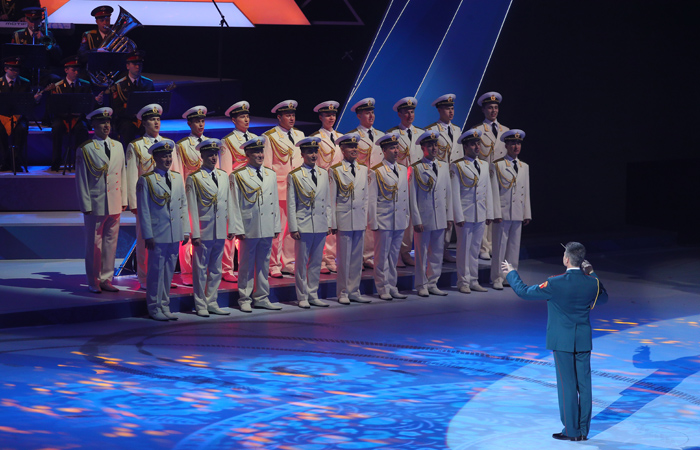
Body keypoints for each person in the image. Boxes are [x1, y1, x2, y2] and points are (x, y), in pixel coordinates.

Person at [501, 242, 608, 441]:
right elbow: (603, 298)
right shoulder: (592, 282)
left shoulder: (555, 283)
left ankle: (571, 431)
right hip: (583, 340)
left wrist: (512, 273)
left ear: (566, 259)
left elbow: (524, 292)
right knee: (584, 386)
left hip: (562, 341)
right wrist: (592, 273)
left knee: (567, 385)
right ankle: (583, 431)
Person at [136, 139, 190, 321]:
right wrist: (148, 235)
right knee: (155, 272)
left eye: (169, 156)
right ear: (155, 158)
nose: (168, 159)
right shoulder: (147, 180)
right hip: (157, 234)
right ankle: (153, 306)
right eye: (164, 156)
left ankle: (165, 305)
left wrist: (186, 230)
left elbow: (183, 205)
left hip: (174, 232)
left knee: (168, 272)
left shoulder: (176, 178)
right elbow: (143, 210)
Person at [74, 107, 127, 293]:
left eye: (108, 122)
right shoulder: (86, 149)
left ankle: (106, 278)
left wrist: (124, 199)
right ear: (94, 125)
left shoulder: (118, 146)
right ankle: (93, 280)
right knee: (94, 245)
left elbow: (122, 173)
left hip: (114, 201)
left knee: (111, 243)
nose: (106, 125)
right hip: (96, 203)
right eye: (102, 122)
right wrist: (85, 204)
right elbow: (81, 179)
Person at [231, 136, 282, 312]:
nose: (260, 155)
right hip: (249, 225)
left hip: (267, 224)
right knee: (246, 264)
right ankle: (244, 298)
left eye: (261, 151)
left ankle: (261, 297)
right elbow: (234, 204)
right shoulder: (239, 175)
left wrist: (276, 225)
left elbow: (274, 202)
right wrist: (238, 228)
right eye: (256, 152)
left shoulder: (270, 174)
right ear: (247, 154)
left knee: (264, 263)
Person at [185, 138, 232, 317]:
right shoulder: (195, 178)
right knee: (200, 269)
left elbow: (229, 203)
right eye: (210, 154)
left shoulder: (223, 175)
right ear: (202, 156)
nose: (213, 157)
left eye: (215, 154)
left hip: (220, 228)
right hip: (204, 229)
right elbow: (192, 208)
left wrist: (231, 227)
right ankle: (200, 304)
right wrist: (194, 233)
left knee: (216, 269)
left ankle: (212, 301)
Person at [287, 136, 332, 308]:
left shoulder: (323, 173)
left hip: (320, 224)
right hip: (303, 224)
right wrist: (293, 227)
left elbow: (327, 200)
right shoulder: (295, 175)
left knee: (316, 263)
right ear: (302, 154)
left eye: (315, 151)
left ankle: (313, 294)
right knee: (301, 263)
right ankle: (302, 296)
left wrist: (329, 223)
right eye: (309, 152)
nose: (313, 155)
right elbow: (292, 203)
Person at [126, 103, 167, 289]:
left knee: (164, 240)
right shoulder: (136, 146)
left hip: (164, 200)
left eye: (158, 119)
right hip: (146, 200)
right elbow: (132, 176)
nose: (156, 122)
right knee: (144, 240)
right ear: (143, 123)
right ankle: (143, 277)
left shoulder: (167, 144)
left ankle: (162, 276)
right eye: (152, 119)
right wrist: (133, 203)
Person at [39, 56, 104, 172]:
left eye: (78, 70)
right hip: (62, 118)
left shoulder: (85, 85)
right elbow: (53, 107)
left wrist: (97, 101)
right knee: (56, 127)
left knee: (82, 128)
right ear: (66, 70)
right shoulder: (57, 86)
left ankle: (79, 162)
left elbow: (89, 105)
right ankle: (56, 162)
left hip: (78, 118)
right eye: (73, 70)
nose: (76, 72)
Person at [263, 99, 304, 277]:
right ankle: (273, 264)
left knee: (291, 229)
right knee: (277, 229)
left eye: (293, 115)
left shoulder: (300, 135)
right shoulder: (270, 136)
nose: (291, 118)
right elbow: (267, 166)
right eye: (288, 115)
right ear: (279, 117)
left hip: (297, 188)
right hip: (279, 189)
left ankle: (288, 262)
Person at [409, 131, 453, 297]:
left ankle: (433, 282)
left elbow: (448, 193)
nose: (434, 148)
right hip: (424, 217)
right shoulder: (416, 168)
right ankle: (421, 284)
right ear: (423, 148)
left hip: (440, 216)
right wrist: (416, 219)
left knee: (437, 252)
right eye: (430, 145)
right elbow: (412, 196)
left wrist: (449, 216)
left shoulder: (443, 166)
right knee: (421, 254)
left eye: (435, 145)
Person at [450, 129, 493, 294]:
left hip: (480, 213)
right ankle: (463, 281)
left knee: (475, 249)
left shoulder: (484, 165)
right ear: (465, 146)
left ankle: (474, 280)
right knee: (463, 250)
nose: (477, 147)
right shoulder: (458, 165)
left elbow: (487, 190)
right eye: (473, 144)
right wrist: (458, 215)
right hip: (465, 214)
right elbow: (455, 193)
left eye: (478, 143)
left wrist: (489, 213)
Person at [330, 133, 371, 305]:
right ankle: (343, 291)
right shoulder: (336, 170)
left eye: (355, 147)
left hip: (359, 219)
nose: (354, 150)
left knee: (356, 259)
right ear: (342, 149)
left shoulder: (363, 169)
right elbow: (331, 199)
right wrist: (333, 222)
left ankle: (354, 290)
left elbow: (366, 197)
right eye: (350, 147)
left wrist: (366, 219)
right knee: (344, 259)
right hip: (344, 218)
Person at [369, 132, 410, 300]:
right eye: (392, 148)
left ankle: (392, 286)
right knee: (381, 257)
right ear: (384, 151)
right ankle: (382, 287)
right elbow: (372, 199)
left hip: (399, 219)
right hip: (384, 219)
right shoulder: (376, 171)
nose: (396, 151)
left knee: (394, 256)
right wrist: (373, 222)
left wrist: (406, 216)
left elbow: (405, 195)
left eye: (397, 147)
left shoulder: (402, 169)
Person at [219, 100, 256, 283]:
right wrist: (229, 193)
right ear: (234, 120)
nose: (246, 119)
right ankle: (227, 268)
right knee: (231, 230)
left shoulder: (255, 138)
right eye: (242, 116)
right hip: (236, 190)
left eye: (247, 116)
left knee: (251, 231)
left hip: (253, 190)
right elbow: (226, 170)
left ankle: (247, 266)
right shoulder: (227, 141)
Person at [490, 129, 531, 290]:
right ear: (506, 145)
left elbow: (525, 191)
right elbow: (494, 191)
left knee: (514, 247)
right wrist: (496, 212)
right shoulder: (498, 165)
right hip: (503, 211)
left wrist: (527, 213)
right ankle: (497, 277)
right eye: (513, 143)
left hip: (518, 212)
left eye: (518, 143)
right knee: (499, 247)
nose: (516, 146)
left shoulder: (524, 166)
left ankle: (510, 276)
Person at [424, 93, 461, 263]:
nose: (451, 111)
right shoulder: (432, 130)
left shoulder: (457, 130)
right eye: (447, 108)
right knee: (436, 214)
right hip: (438, 177)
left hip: (454, 178)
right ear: (439, 110)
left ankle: (444, 249)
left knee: (450, 217)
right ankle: (431, 250)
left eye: (452, 108)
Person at [386, 96, 423, 267]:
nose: (409, 115)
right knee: (401, 217)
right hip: (400, 181)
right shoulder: (392, 134)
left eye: (412, 111)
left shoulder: (421, 134)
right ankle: (398, 253)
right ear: (399, 114)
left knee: (414, 217)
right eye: (406, 112)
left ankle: (408, 251)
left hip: (418, 182)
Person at [473, 91, 510, 261]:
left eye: (495, 107)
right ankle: (483, 247)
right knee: (484, 213)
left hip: (502, 178)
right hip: (485, 177)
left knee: (498, 213)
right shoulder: (477, 131)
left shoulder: (506, 131)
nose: (493, 111)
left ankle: (495, 245)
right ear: (483, 110)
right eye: (490, 108)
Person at [175, 105, 209, 286]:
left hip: (208, 196)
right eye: (197, 121)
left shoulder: (210, 143)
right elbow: (180, 172)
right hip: (190, 195)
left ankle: (205, 269)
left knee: (206, 233)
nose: (201, 124)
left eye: (202, 121)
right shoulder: (182, 146)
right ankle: (187, 272)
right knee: (188, 234)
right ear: (189, 123)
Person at [348, 97, 384, 269]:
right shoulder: (353, 137)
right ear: (359, 115)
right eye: (367, 113)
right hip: (360, 183)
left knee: (373, 220)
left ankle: (369, 255)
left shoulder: (381, 136)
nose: (371, 116)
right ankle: (358, 256)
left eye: (372, 112)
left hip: (378, 184)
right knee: (360, 220)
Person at [309, 100, 343, 274]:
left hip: (338, 183)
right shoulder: (316, 138)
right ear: (321, 117)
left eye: (333, 115)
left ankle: (330, 257)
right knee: (322, 221)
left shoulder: (340, 137)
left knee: (334, 221)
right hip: (322, 183)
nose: (331, 118)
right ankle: (320, 258)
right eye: (328, 115)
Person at [111, 51, 154, 149]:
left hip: (143, 119)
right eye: (134, 64)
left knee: (150, 126)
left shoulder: (148, 83)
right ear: (127, 66)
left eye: (140, 64)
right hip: (126, 119)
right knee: (127, 128)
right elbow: (118, 109)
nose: (138, 67)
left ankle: (148, 155)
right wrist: (133, 114)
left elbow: (152, 104)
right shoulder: (119, 85)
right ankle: (131, 155)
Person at [0, 56, 32, 173]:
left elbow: (29, 103)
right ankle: (4, 161)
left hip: (19, 116)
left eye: (17, 70)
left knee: (21, 129)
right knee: (0, 130)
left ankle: (16, 161)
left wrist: (35, 100)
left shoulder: (25, 82)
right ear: (5, 69)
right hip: (2, 116)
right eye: (13, 69)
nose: (15, 72)